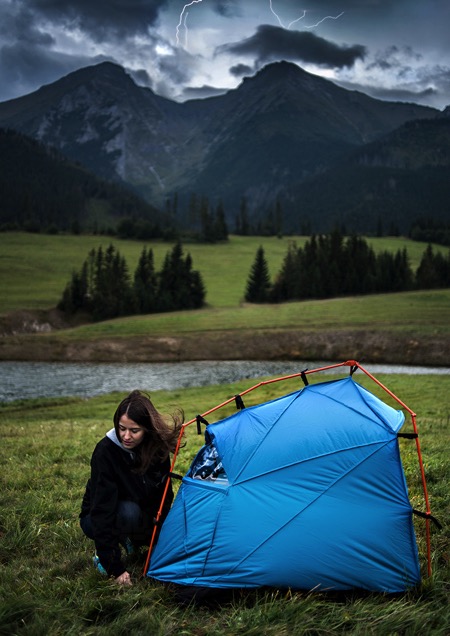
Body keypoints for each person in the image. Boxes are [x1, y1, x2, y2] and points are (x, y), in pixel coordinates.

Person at [80, 390, 183, 586]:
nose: (126, 436)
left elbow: (164, 494)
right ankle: (108, 550)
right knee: (128, 512)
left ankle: (131, 539)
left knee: (171, 535)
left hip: (140, 510)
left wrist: (159, 535)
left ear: (147, 429)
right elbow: (102, 509)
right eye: (121, 428)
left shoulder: (156, 448)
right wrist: (114, 566)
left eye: (134, 430)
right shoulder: (105, 452)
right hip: (98, 516)